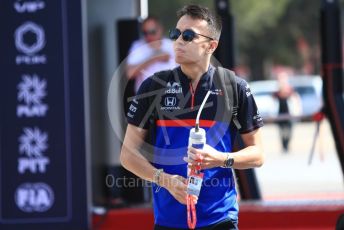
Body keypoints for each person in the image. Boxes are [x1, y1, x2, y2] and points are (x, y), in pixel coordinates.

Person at [121, 4, 264, 230]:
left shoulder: (234, 87)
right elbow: (127, 155)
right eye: (175, 34)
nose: (178, 41)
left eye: (188, 36)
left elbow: (258, 154)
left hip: (221, 218)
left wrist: (220, 158)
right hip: (169, 220)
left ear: (211, 46)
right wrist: (164, 180)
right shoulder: (154, 86)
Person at [126, 16, 177, 94]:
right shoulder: (137, 46)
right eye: (145, 33)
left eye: (152, 32)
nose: (148, 36)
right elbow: (130, 73)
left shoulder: (172, 46)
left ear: (160, 29)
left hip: (170, 95)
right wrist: (153, 58)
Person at [273, 72, 302, 153]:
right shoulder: (276, 93)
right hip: (280, 115)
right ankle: (284, 146)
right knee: (282, 132)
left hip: (290, 115)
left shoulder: (291, 91)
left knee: (289, 132)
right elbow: (273, 104)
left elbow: (296, 102)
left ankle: (287, 145)